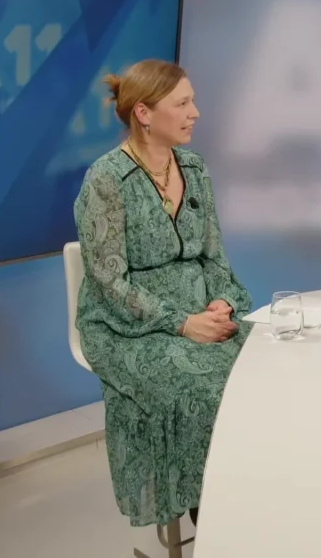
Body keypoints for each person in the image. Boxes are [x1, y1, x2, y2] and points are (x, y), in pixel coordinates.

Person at [73, 59, 253, 528]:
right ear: (144, 113)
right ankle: (208, 513)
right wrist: (183, 323)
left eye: (193, 101)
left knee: (264, 367)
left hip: (200, 314)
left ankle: (256, 496)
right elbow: (110, 283)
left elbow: (214, 256)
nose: (196, 113)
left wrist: (223, 302)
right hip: (126, 326)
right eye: (183, 103)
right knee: (202, 386)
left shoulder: (194, 167)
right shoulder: (106, 180)